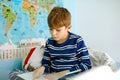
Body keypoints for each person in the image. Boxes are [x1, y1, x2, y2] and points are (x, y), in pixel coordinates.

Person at [33, 6, 92, 80]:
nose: (53, 33)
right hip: (53, 77)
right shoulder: (49, 42)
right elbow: (46, 64)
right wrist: (42, 68)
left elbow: (87, 65)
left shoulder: (77, 40)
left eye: (58, 30)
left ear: (68, 28)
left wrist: (61, 74)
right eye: (51, 29)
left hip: (72, 77)